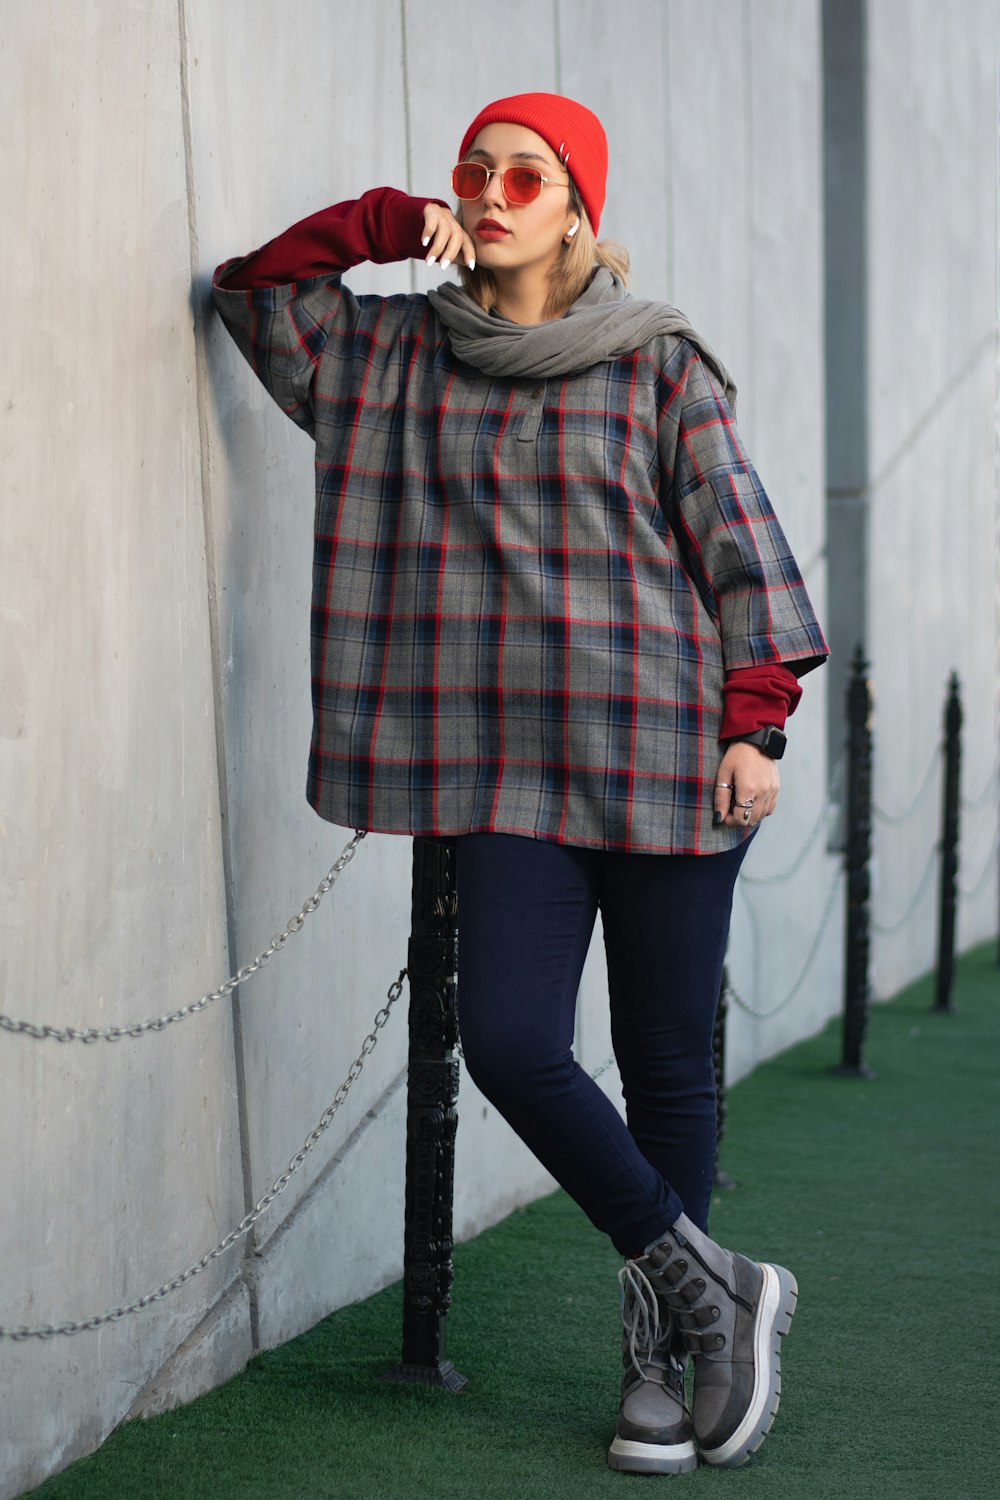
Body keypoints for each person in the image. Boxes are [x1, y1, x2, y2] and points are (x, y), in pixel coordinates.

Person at [213, 91, 828, 1476]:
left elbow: (744, 554)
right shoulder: (387, 355)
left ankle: (663, 1364)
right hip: (502, 774)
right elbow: (257, 296)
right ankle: (714, 1284)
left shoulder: (657, 364)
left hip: (668, 760)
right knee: (508, 1042)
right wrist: (377, 225)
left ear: (578, 207)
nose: (491, 194)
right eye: (472, 172)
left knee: (669, 1066)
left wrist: (756, 723)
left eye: (525, 176)